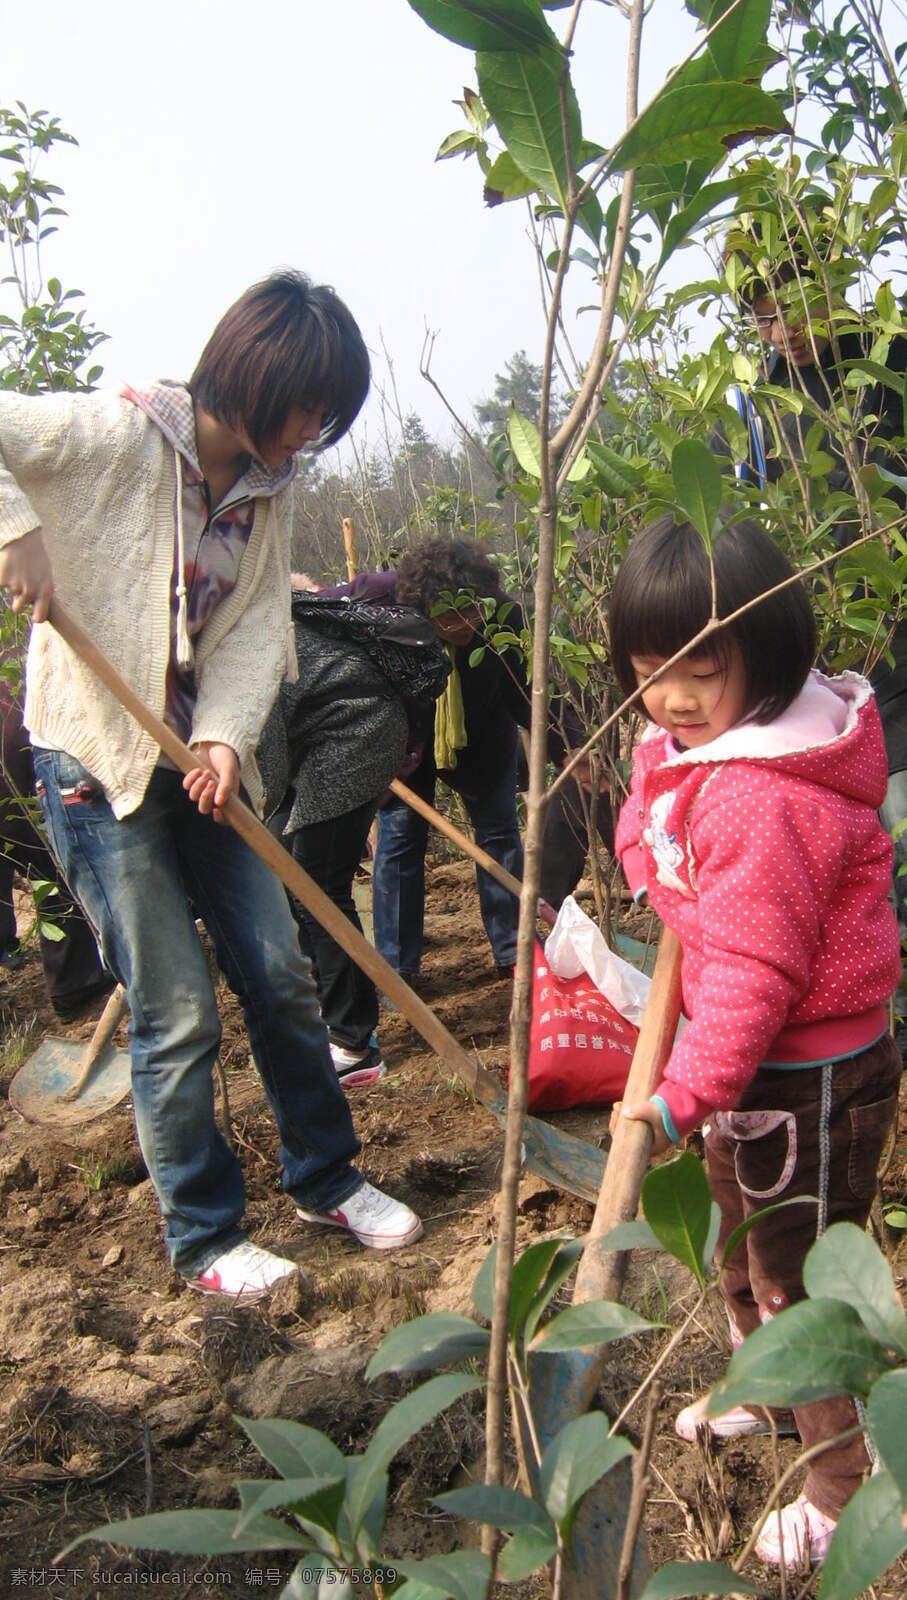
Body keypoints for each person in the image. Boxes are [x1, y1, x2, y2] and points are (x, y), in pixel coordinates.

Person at [0, 271, 425, 1301]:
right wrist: (19, 534)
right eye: (311, 404)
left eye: (331, 413)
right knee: (176, 1006)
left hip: (195, 761)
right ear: (260, 370)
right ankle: (203, 1235)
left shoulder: (271, 493)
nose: (316, 428)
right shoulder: (121, 434)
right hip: (98, 759)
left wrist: (230, 740)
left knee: (277, 972)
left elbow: (251, 637)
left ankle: (326, 1176)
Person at [610, 516, 902, 1572]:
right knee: (740, 1236)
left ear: (768, 654)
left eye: (699, 669)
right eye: (651, 672)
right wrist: (654, 863)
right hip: (760, 1066)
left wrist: (680, 1096)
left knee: (797, 1275)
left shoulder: (766, 795)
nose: (673, 700)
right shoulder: (705, 755)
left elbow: (750, 977)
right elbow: (652, 806)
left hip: (809, 1071)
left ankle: (843, 1480)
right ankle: (775, 1396)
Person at [728, 214, 907, 1076]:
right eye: (763, 318)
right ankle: (906, 997)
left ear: (826, 285)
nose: (781, 330)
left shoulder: (896, 361)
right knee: (856, 838)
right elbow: (757, 509)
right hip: (825, 650)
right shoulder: (765, 397)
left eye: (789, 306)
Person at [260, 574, 448, 1085]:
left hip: (353, 737)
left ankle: (354, 1043)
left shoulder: (253, 635)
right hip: (334, 736)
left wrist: (248, 808)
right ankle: (325, 1012)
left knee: (316, 886)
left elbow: (269, 765)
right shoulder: (254, 622)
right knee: (286, 872)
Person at [370, 539, 583, 981]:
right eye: (449, 616)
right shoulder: (387, 605)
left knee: (499, 836)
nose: (465, 624)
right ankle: (397, 968)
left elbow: (533, 695)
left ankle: (513, 953)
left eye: (472, 612)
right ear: (424, 609)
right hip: (409, 744)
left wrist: (571, 746)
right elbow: (325, 608)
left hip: (485, 742)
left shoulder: (505, 619)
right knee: (400, 841)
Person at [0, 672, 115, 1013]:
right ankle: (74, 982)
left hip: (15, 777)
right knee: (52, 864)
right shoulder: (21, 674)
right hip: (15, 784)